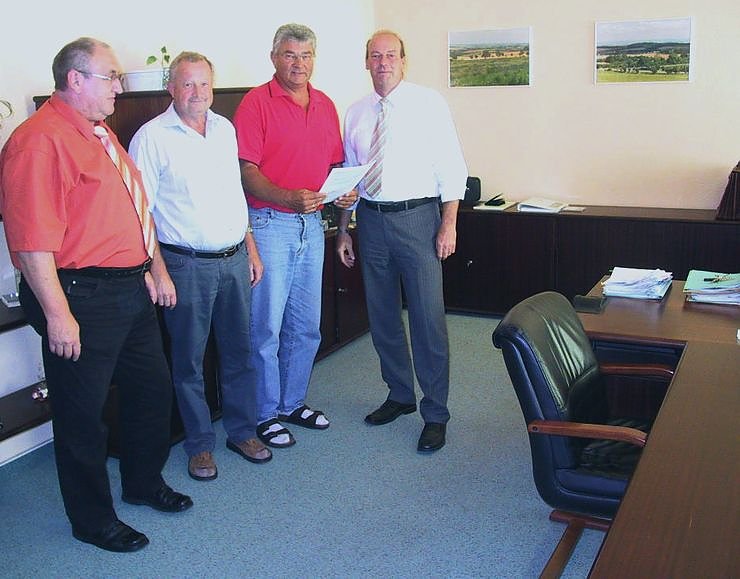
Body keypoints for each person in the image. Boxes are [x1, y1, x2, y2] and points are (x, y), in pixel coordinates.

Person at [0, 37, 192, 553]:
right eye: (111, 77)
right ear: (75, 79)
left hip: (131, 290)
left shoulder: (100, 134)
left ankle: (143, 482)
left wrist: (156, 270)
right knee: (82, 414)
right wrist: (58, 315)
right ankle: (91, 519)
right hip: (79, 296)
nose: (119, 87)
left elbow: (135, 211)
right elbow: (32, 241)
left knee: (151, 391)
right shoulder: (39, 141)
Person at [128, 52, 271, 482]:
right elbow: (139, 212)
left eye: (204, 84)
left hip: (234, 259)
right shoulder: (151, 138)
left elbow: (234, 195)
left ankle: (242, 432)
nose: (197, 93)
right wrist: (158, 270)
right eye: (187, 84)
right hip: (185, 266)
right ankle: (200, 444)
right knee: (189, 361)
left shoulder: (225, 129)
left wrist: (251, 248)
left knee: (240, 353)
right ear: (171, 88)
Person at [336, 30, 468, 453]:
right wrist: (344, 228)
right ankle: (399, 394)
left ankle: (436, 413)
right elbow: (351, 176)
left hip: (418, 220)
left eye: (391, 55)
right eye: (375, 56)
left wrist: (449, 224)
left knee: (428, 320)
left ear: (403, 61)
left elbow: (452, 166)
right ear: (366, 62)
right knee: (383, 317)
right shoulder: (356, 112)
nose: (383, 63)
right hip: (372, 222)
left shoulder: (429, 103)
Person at [233, 23, 356, 448]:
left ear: (313, 60)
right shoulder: (255, 103)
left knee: (306, 325)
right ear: (274, 58)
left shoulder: (324, 104)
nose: (298, 64)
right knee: (266, 327)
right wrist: (287, 196)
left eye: (305, 56)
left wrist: (344, 192)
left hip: (312, 225)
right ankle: (264, 414)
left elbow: (333, 165)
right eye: (289, 55)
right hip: (270, 224)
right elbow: (246, 171)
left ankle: (291, 403)